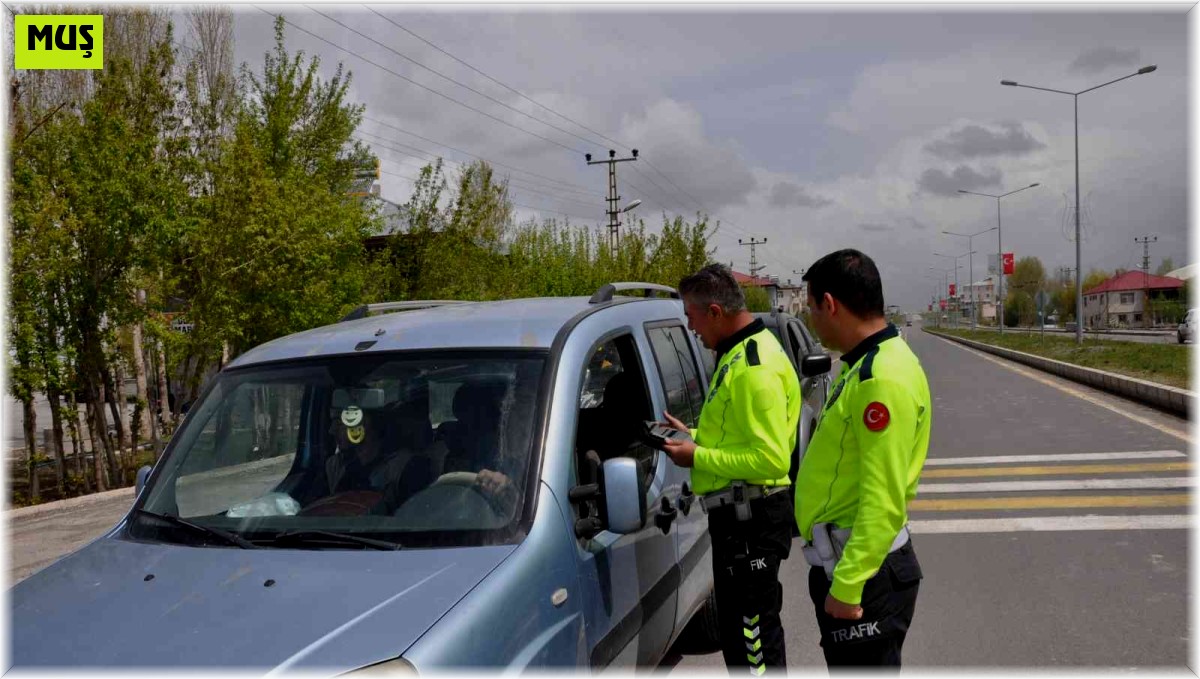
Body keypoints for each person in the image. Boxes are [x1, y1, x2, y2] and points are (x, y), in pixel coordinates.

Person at [659, 263, 800, 674]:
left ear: (716, 311)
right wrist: (696, 435)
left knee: (754, 644)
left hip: (751, 525)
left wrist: (697, 457)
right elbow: (737, 434)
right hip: (739, 521)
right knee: (740, 643)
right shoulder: (737, 352)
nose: (691, 326)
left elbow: (771, 459)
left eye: (691, 315)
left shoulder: (755, 368)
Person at [796, 249, 930, 669]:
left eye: (812, 309)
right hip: (855, 564)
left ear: (830, 304)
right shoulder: (864, 365)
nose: (812, 320)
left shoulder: (880, 378)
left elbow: (884, 497)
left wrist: (849, 585)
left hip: (864, 574)